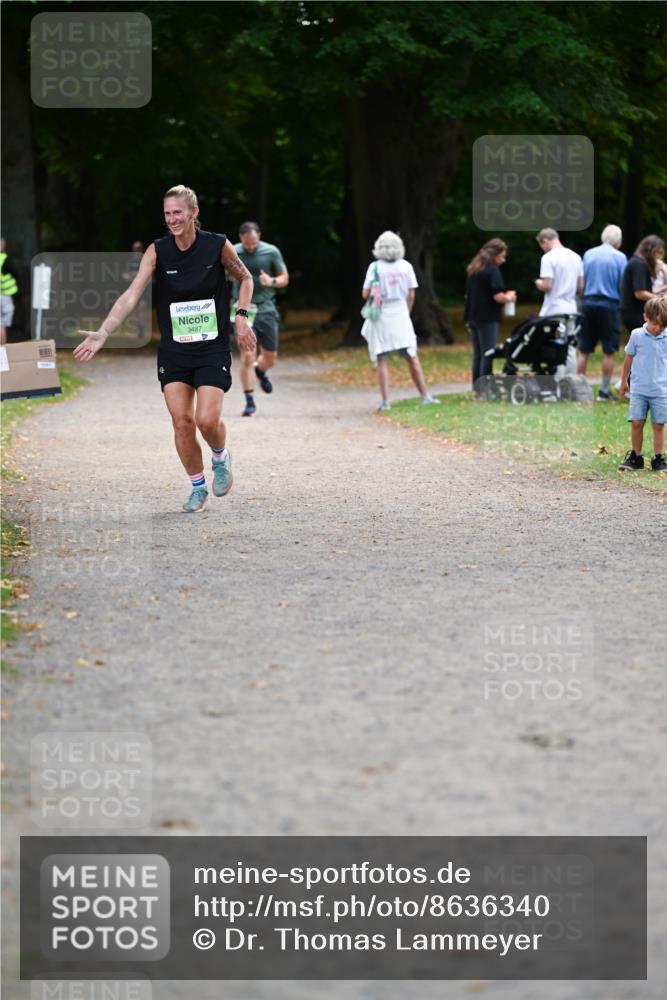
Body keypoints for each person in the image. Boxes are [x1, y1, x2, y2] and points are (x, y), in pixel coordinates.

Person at [74, 184, 256, 512]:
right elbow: (132, 294)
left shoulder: (217, 245)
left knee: (206, 421)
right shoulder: (158, 251)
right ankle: (197, 486)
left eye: (178, 213)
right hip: (175, 350)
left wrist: (241, 316)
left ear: (193, 213)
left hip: (211, 347)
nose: (172, 219)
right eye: (167, 213)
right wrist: (104, 332)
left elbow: (245, 278)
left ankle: (220, 456)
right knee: (182, 421)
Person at [360, 230, 440, 411]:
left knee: (382, 358)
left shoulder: (374, 268)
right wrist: (406, 313)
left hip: (380, 315)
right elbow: (411, 294)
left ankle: (385, 401)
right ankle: (425, 395)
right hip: (401, 314)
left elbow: (365, 294)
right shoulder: (406, 267)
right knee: (411, 356)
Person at [231, 222, 289, 417]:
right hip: (242, 309)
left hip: (267, 308)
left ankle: (260, 371)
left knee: (270, 358)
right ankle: (250, 401)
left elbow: (284, 278)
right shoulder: (232, 252)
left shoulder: (271, 251)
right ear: (241, 238)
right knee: (247, 355)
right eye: (247, 244)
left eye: (254, 243)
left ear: (259, 236)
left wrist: (271, 281)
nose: (250, 247)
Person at [617, 295, 667, 473]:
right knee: (637, 422)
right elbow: (628, 359)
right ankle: (636, 457)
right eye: (654, 323)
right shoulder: (637, 335)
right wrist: (623, 382)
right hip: (639, 389)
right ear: (645, 316)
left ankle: (658, 458)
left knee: (658, 424)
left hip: (661, 390)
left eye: (661, 324)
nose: (657, 328)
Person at [577, 224, 627, 400]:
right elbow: (622, 284)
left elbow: (581, 282)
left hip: (588, 304)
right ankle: (604, 391)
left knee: (584, 349)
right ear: (618, 240)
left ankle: (579, 390)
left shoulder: (588, 254)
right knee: (609, 350)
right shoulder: (620, 258)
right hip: (609, 305)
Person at [463, 238, 516, 394]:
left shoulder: (474, 269)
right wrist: (510, 298)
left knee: (478, 354)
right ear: (495, 255)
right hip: (487, 317)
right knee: (487, 353)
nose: (503, 260)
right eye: (502, 256)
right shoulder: (492, 271)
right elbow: (497, 296)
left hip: (473, 316)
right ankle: (485, 389)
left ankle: (477, 388)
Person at [620, 235, 665, 335]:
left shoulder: (638, 262)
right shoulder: (638, 264)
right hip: (634, 312)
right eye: (657, 253)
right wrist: (660, 300)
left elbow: (643, 290)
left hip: (631, 310)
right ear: (651, 251)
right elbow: (639, 293)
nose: (657, 257)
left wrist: (661, 290)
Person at [0, 237, 19, 345]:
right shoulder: (5, 259)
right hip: (5, 296)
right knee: (3, 324)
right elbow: (15, 274)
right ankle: (2, 348)